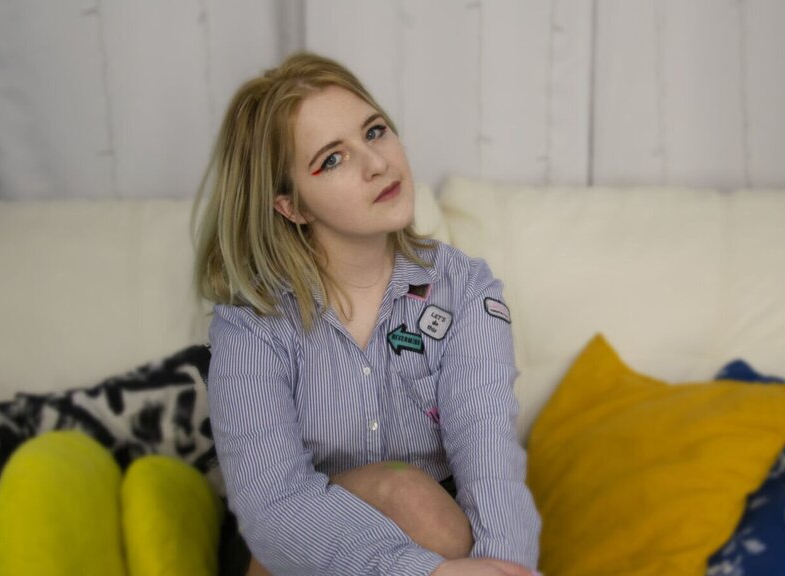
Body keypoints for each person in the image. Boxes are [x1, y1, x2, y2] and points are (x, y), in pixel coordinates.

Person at [193, 52, 542, 576]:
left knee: (424, 506)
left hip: (443, 536)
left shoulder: (466, 291)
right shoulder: (251, 324)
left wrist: (503, 568)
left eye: (374, 132)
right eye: (332, 159)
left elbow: (489, 459)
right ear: (292, 206)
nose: (377, 163)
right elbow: (273, 505)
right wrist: (421, 573)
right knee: (404, 494)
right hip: (292, 547)